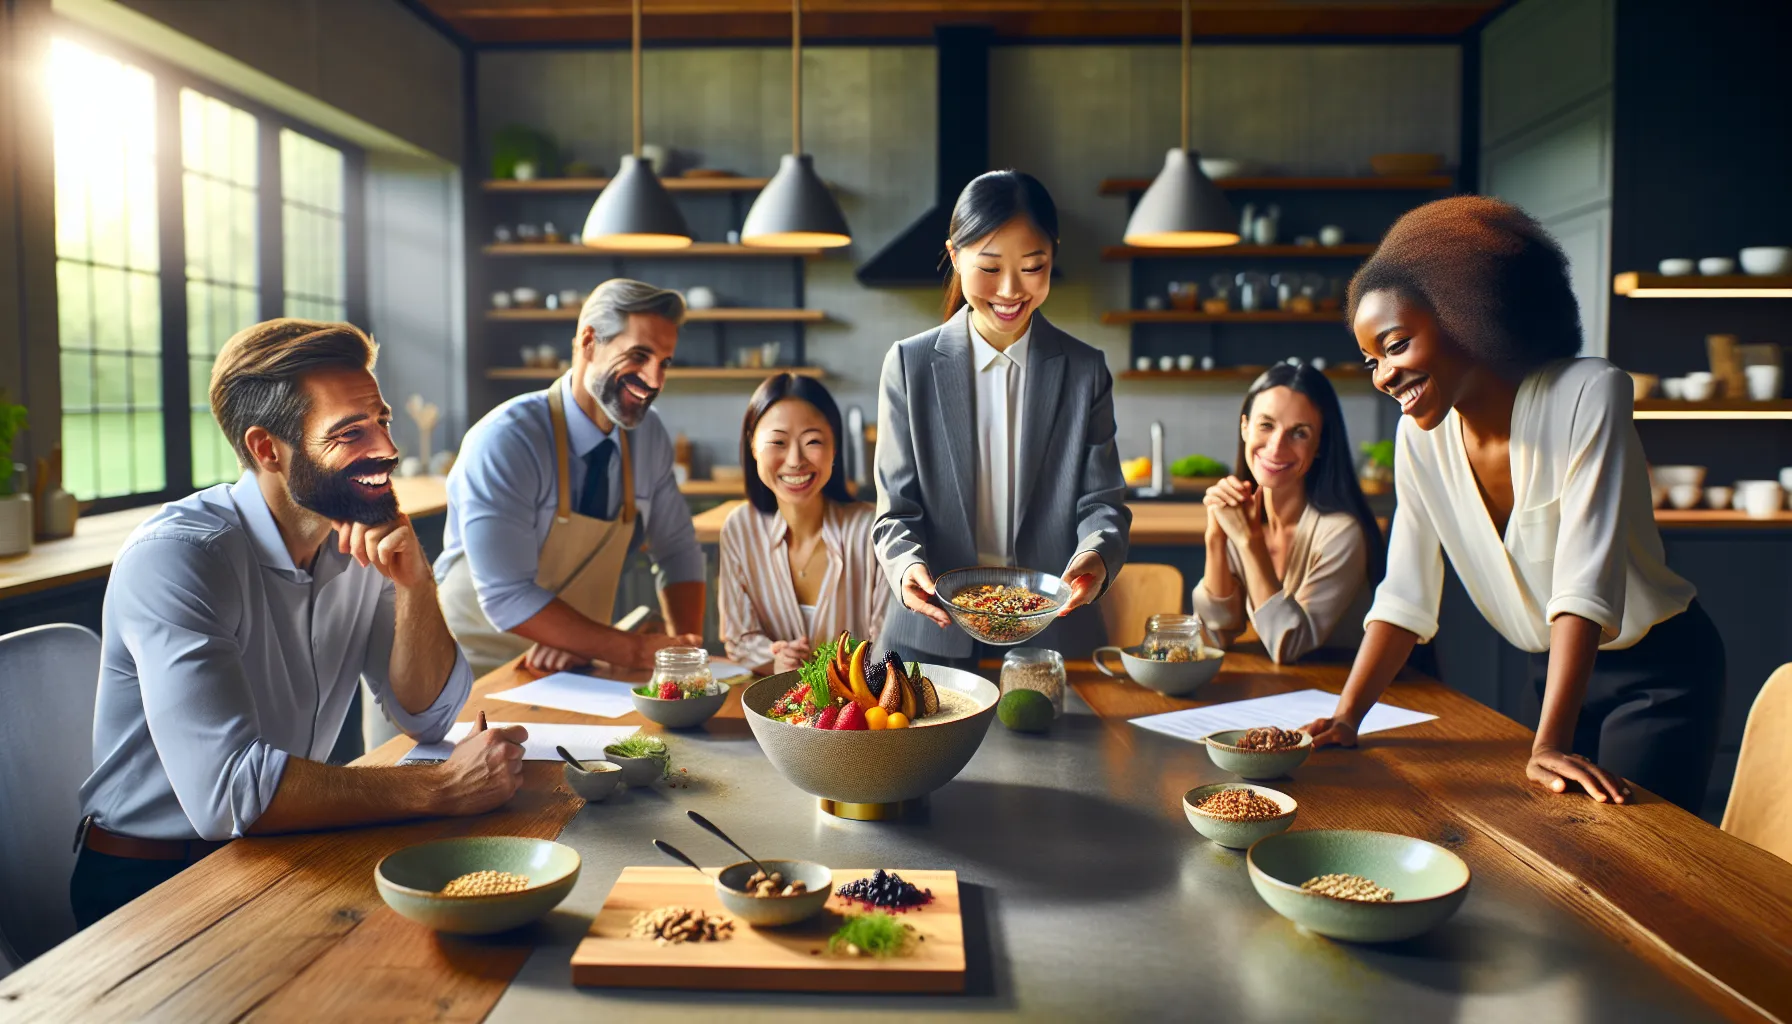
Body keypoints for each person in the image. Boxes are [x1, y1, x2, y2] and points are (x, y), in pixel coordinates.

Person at [72, 319, 519, 928]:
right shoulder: (181, 556)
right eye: (350, 433)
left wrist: (417, 585)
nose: (387, 448)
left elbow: (430, 715)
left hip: (279, 851)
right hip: (155, 884)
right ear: (267, 450)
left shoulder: (355, 532)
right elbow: (228, 792)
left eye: (382, 421)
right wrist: (440, 789)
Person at [1303, 196, 1723, 812]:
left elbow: (1586, 580)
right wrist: (1346, 718)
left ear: (1461, 314)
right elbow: (1404, 595)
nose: (1382, 376)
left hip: (1657, 675)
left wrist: (1547, 744)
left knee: (1639, 860)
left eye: (1395, 346)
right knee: (1550, 854)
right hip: (1549, 671)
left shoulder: (1588, 393)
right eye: (1370, 359)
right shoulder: (1420, 439)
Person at [874, 170, 1130, 663]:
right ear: (955, 256)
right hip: (930, 635)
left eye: (1033, 267)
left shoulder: (1084, 370)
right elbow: (895, 510)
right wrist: (906, 566)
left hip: (1054, 639)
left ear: (1052, 257)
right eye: (989, 268)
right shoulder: (909, 365)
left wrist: (1094, 557)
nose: (1011, 290)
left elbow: (1103, 503)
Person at [436, 279, 705, 676]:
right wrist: (631, 650)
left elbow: (678, 552)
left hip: (564, 668)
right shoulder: (507, 440)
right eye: (639, 355)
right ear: (589, 341)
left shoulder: (648, 437)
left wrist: (684, 658)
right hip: (461, 668)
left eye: (664, 362)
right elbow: (507, 596)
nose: (654, 380)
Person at [1195, 363, 1384, 664]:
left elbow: (1290, 646)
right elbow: (1216, 637)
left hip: (1352, 698)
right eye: (1266, 425)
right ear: (1245, 427)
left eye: (1299, 433)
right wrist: (1216, 538)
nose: (1276, 446)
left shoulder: (1341, 533)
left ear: (1320, 445)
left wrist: (1250, 542)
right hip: (1284, 693)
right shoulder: (1242, 517)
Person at [719, 373, 888, 674]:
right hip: (775, 709)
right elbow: (738, 638)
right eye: (778, 442)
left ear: (834, 448)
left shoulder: (873, 529)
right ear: (753, 446)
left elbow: (888, 643)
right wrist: (775, 659)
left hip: (860, 713)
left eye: (812, 441)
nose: (795, 460)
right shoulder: (740, 528)